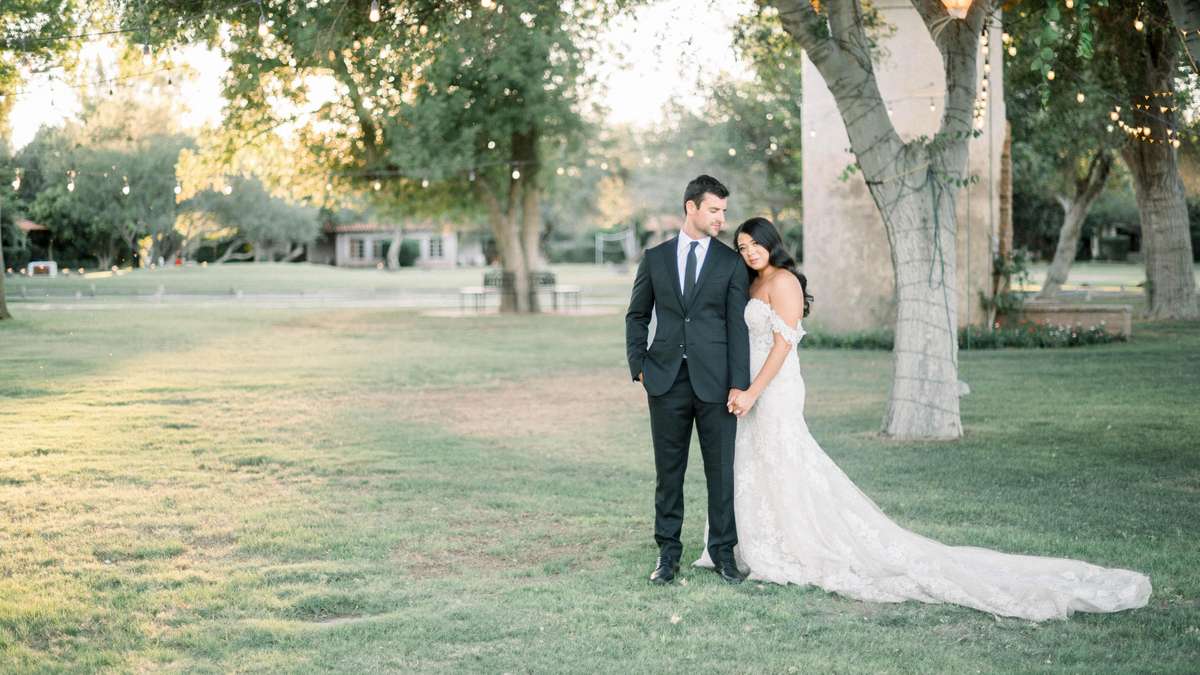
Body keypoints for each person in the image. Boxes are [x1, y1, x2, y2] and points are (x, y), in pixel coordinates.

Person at [695, 216, 1152, 622]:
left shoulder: (785, 282)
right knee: (751, 463)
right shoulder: (750, 283)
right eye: (742, 246)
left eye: (755, 243)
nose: (749, 251)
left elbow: (782, 345)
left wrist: (755, 390)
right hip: (747, 390)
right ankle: (749, 542)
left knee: (783, 460)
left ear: (772, 243)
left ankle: (793, 545)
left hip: (774, 387)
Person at [625, 175, 751, 585]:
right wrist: (639, 363)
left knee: (721, 471)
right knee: (669, 472)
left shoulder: (730, 262)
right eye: (714, 210)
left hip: (716, 384)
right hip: (664, 381)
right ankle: (668, 554)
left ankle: (723, 554)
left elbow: (737, 328)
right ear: (690, 208)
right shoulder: (656, 258)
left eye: (724, 212)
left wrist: (739, 382)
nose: (721, 219)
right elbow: (637, 315)